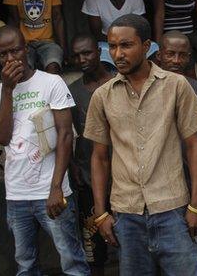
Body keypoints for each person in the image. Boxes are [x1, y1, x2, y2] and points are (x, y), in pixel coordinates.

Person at [84, 14, 197, 276]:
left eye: (126, 45)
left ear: (146, 46)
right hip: (126, 213)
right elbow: (99, 157)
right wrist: (100, 213)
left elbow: (194, 145)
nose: (118, 53)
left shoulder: (176, 86)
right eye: (112, 46)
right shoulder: (102, 96)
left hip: (172, 210)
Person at [0, 26, 90, 275]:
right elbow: (1, 137)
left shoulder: (51, 82)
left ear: (26, 50)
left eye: (15, 51)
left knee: (72, 261)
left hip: (52, 190)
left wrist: (56, 188)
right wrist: (8, 90)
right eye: (3, 54)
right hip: (17, 194)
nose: (11, 59)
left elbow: (65, 136)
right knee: (26, 264)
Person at [67, 33, 114, 276]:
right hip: (88, 175)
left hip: (123, 175)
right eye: (76, 56)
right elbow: (67, 133)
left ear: (98, 51)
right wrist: (72, 164)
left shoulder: (119, 82)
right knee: (93, 247)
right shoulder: (72, 91)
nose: (82, 59)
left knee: (131, 242)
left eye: (86, 53)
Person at [156, 30, 197, 193]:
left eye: (182, 55)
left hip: (190, 178)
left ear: (189, 58)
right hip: (157, 181)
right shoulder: (147, 89)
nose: (176, 60)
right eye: (170, 54)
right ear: (159, 55)